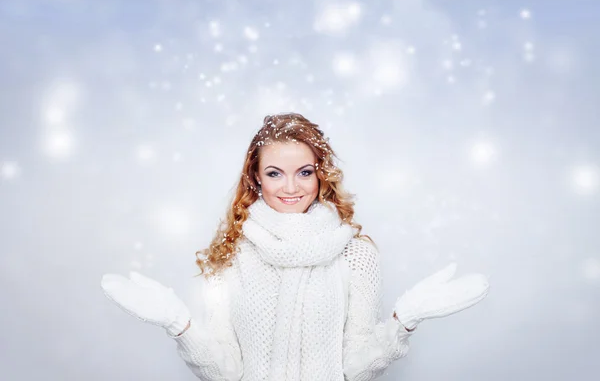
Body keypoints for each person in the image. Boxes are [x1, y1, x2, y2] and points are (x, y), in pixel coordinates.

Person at [101, 113, 490, 381]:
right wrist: (178, 324)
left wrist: (405, 319)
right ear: (255, 178)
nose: (291, 187)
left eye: (304, 172)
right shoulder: (232, 253)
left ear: (321, 174)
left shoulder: (356, 254)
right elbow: (226, 370)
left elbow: (358, 368)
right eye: (275, 173)